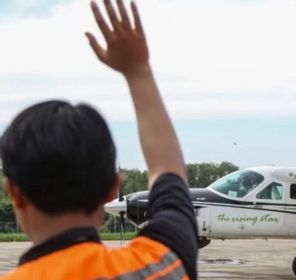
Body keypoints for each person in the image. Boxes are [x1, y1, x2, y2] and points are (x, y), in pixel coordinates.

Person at [0, 0, 197, 279]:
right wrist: (138, 70)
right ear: (112, 189)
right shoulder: (161, 264)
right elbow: (168, 171)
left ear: (14, 192)